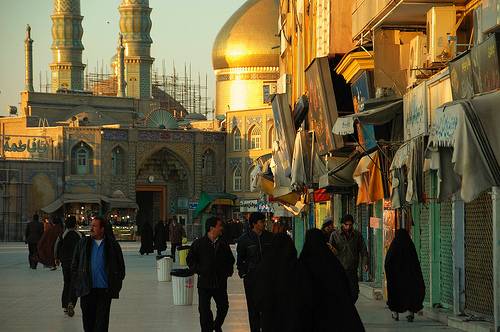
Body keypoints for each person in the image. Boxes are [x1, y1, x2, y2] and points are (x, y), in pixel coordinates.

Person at [297, 229, 365, 332]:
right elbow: (344, 287)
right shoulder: (332, 263)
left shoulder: (302, 263)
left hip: (311, 314)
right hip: (333, 315)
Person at [71, 216, 125, 332]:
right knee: (88, 323)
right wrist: (78, 281)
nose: (91, 228)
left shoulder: (112, 245)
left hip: (104, 291)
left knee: (101, 324)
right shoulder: (83, 243)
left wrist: (115, 282)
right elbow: (75, 264)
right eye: (91, 225)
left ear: (102, 229)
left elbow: (121, 267)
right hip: (87, 289)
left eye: (95, 226)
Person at [187, 217, 235, 332]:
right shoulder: (199, 243)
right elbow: (190, 260)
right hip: (205, 283)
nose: (221, 228)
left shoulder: (223, 244)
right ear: (211, 228)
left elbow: (231, 260)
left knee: (223, 307)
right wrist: (199, 270)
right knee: (204, 311)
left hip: (220, 282)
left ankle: (216, 325)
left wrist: (227, 272)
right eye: (219, 226)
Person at [236, 212, 273, 332]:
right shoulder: (244, 239)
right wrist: (244, 273)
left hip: (268, 279)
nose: (264, 224)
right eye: (262, 222)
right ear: (254, 224)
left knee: (268, 308)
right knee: (253, 308)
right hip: (252, 279)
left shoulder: (270, 237)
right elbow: (240, 259)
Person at [255, 233, 298, 332]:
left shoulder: (265, 266)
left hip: (269, 314)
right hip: (290, 316)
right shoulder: (296, 267)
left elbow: (258, 291)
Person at [385, 228, 425, 322]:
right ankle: (410, 313)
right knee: (410, 294)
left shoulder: (394, 246)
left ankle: (395, 314)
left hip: (396, 280)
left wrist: (391, 275)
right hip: (409, 279)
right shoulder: (410, 246)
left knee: (395, 295)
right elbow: (415, 264)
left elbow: (388, 262)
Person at [330, 214, 368, 303]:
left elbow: (363, 250)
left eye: (350, 225)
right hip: (339, 269)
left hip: (352, 269)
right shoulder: (335, 235)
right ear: (342, 224)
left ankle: (349, 307)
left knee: (354, 293)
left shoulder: (357, 235)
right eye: (346, 225)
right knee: (341, 292)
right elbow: (330, 252)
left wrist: (365, 263)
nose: (348, 227)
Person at [54, 216, 82, 317]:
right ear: (75, 224)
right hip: (76, 264)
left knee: (66, 283)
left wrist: (56, 258)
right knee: (74, 283)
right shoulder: (79, 235)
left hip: (65, 263)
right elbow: (84, 248)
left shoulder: (63, 235)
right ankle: (71, 302)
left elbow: (56, 246)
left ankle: (65, 305)